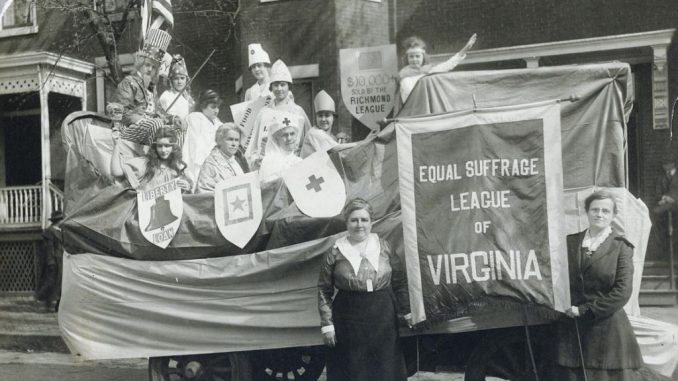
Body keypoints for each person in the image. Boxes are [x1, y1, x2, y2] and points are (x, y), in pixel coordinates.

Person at [553, 191, 644, 380]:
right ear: (586, 212)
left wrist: (585, 310)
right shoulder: (570, 242)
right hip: (574, 330)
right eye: (595, 209)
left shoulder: (621, 247)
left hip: (607, 330)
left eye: (605, 210)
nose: (599, 214)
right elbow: (558, 278)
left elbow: (622, 291)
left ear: (613, 215)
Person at [318, 198, 411, 381]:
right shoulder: (336, 251)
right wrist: (327, 325)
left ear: (371, 222)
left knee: (384, 368)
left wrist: (407, 311)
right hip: (348, 317)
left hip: (382, 315)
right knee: (353, 368)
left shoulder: (384, 247)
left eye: (364, 220)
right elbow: (324, 290)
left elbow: (400, 282)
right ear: (346, 223)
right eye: (354, 220)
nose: (359, 225)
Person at [113, 29, 181, 146]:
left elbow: (159, 111)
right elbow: (122, 111)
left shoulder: (151, 89)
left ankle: (174, 162)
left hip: (149, 127)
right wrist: (145, 120)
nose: (150, 69)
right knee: (156, 124)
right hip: (128, 129)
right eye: (147, 65)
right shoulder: (129, 82)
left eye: (154, 67)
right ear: (140, 65)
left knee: (178, 129)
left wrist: (173, 119)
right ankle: (155, 161)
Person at [245, 59, 311, 166]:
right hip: (270, 166)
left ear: (288, 86)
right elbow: (254, 145)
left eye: (283, 84)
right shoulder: (264, 113)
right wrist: (256, 160)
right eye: (275, 85)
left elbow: (307, 143)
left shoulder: (297, 111)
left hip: (293, 164)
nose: (279, 89)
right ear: (271, 88)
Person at [398, 33, 477, 102]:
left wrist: (465, 49)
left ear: (423, 57)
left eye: (417, 56)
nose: (414, 59)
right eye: (411, 56)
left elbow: (448, 65)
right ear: (407, 58)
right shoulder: (404, 76)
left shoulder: (429, 71)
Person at [111, 127, 192, 192]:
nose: (163, 150)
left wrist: (186, 186)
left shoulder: (178, 167)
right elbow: (117, 173)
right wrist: (116, 145)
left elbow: (187, 188)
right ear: (155, 147)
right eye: (160, 146)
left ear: (173, 147)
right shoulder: (146, 163)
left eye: (167, 146)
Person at [182, 89, 223, 188]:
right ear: (203, 106)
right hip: (200, 162)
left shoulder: (216, 121)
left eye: (218, 107)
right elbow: (196, 145)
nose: (216, 111)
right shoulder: (196, 118)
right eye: (213, 107)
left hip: (217, 161)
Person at [196, 123, 250, 193]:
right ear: (220, 140)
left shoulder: (239, 160)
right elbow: (204, 193)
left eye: (236, 140)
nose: (234, 144)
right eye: (230, 139)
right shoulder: (210, 164)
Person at [301, 90, 357, 158]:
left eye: (327, 115)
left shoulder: (331, 136)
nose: (323, 119)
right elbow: (335, 148)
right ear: (316, 117)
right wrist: (364, 142)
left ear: (333, 118)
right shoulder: (314, 133)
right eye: (320, 116)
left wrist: (341, 141)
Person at [257, 111, 303, 182]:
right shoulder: (269, 162)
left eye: (292, 134)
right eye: (285, 135)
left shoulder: (299, 161)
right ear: (277, 139)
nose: (289, 138)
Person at [35, 210, 64, 312]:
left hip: (62, 260)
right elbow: (49, 248)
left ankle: (58, 305)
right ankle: (48, 303)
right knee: (51, 282)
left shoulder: (61, 231)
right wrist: (50, 261)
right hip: (54, 260)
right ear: (58, 220)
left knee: (61, 283)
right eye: (62, 219)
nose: (63, 221)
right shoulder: (50, 231)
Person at [158, 54, 194, 120]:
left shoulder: (188, 98)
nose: (179, 82)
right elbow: (161, 115)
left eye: (182, 78)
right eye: (176, 78)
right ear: (171, 80)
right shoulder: (166, 95)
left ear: (187, 79)